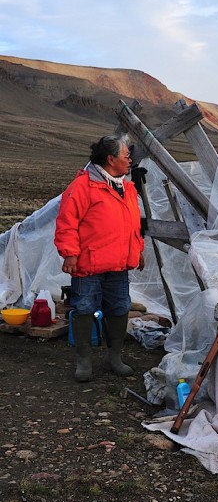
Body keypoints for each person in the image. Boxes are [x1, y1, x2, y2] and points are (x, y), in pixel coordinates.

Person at [54, 134, 145, 382]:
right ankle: (84, 360)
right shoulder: (82, 187)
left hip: (118, 263)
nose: (130, 160)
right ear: (110, 158)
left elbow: (133, 225)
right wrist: (70, 254)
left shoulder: (126, 187)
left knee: (119, 307)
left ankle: (113, 357)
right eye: (126, 156)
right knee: (84, 307)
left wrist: (138, 249)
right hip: (89, 264)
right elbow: (66, 224)